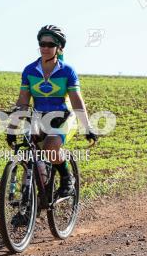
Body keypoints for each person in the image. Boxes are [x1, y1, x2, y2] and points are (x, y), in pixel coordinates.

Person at [7, 25, 98, 199]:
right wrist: (12, 129)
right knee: (28, 152)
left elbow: (77, 101)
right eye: (42, 44)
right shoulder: (30, 70)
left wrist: (87, 127)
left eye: (50, 44)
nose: (45, 48)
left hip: (63, 117)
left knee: (49, 148)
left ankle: (66, 178)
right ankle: (30, 204)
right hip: (39, 117)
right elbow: (23, 102)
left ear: (59, 48)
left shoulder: (67, 71)